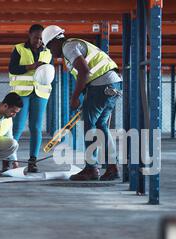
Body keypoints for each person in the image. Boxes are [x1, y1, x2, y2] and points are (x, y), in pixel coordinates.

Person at [42, 25, 122, 181]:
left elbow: (84, 71)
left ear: (54, 42)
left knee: (90, 127)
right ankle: (113, 167)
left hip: (101, 86)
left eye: (50, 48)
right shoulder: (75, 45)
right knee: (101, 126)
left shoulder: (68, 47)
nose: (51, 53)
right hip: (112, 85)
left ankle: (91, 168)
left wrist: (75, 96)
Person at [8, 24, 53, 173]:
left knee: (36, 127)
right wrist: (31, 66)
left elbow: (50, 72)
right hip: (22, 93)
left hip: (41, 93)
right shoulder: (19, 49)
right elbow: (12, 69)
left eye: (41, 38)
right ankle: (9, 158)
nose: (38, 41)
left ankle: (32, 161)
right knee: (18, 127)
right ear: (29, 35)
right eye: (36, 38)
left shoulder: (48, 52)